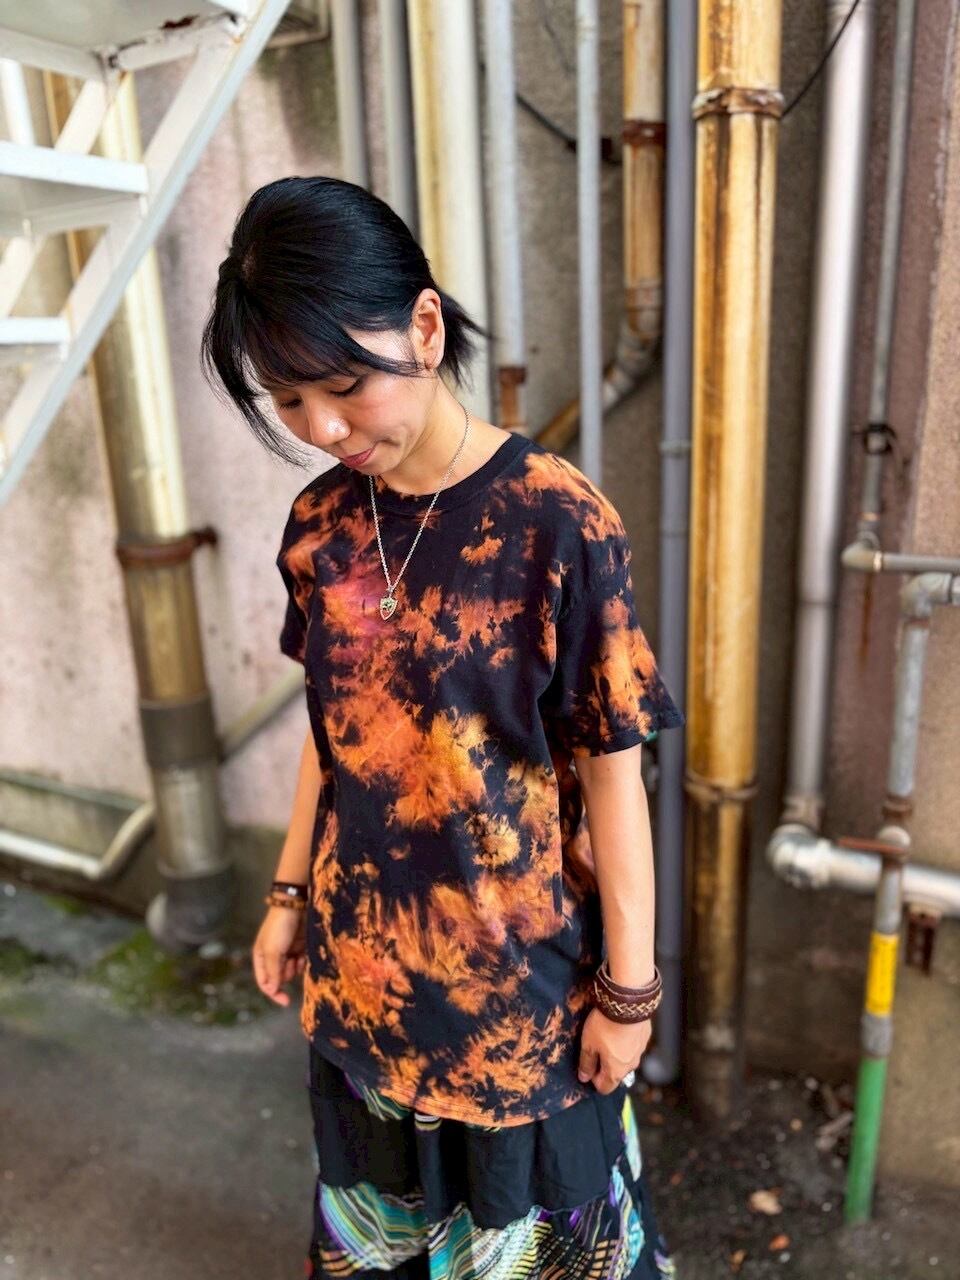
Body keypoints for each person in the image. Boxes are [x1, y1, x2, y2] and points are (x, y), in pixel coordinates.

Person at [201, 175, 685, 1279]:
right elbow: (333, 735)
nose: (324, 428)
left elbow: (617, 778)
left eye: (344, 385)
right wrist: (286, 896)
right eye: (289, 400)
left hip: (517, 1010)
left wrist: (630, 992)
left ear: (424, 327)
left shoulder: (559, 521)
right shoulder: (321, 524)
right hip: (363, 990)